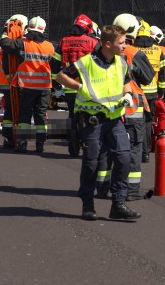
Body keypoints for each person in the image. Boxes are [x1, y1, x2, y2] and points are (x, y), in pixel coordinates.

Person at [55, 24, 141, 221]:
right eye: (121, 42)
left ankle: (118, 204)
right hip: (93, 121)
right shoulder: (87, 62)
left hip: (115, 119)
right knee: (91, 163)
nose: (125, 45)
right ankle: (88, 204)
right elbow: (61, 76)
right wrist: (80, 87)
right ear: (108, 44)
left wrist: (127, 94)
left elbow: (126, 80)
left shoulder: (121, 62)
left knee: (123, 157)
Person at [109, 14, 154, 201]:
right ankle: (132, 191)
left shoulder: (102, 49)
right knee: (134, 149)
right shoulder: (134, 53)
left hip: (110, 108)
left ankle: (105, 187)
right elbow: (148, 77)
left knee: (110, 149)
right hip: (132, 109)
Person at [0, 16, 54, 153]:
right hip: (45, 87)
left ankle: (22, 142)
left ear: (28, 27)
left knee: (24, 115)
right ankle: (40, 144)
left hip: (27, 86)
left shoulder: (23, 43)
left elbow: (6, 44)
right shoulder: (49, 46)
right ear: (43, 29)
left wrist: (6, 33)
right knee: (40, 115)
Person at [51, 14, 99, 157]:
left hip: (69, 87)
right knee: (90, 118)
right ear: (88, 28)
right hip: (88, 89)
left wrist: (56, 82)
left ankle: (73, 149)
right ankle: (89, 147)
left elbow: (54, 64)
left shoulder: (63, 42)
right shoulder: (93, 43)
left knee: (73, 118)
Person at [134, 20, 165, 162]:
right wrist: (161, 90)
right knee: (148, 122)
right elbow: (164, 73)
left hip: (136, 92)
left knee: (135, 122)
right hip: (152, 93)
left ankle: (137, 150)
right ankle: (146, 153)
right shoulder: (158, 50)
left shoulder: (133, 49)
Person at [0, 14, 28, 149]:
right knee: (20, 111)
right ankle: (20, 139)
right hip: (16, 82)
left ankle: (8, 138)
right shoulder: (21, 41)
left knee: (9, 112)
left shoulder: (5, 40)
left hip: (6, 81)